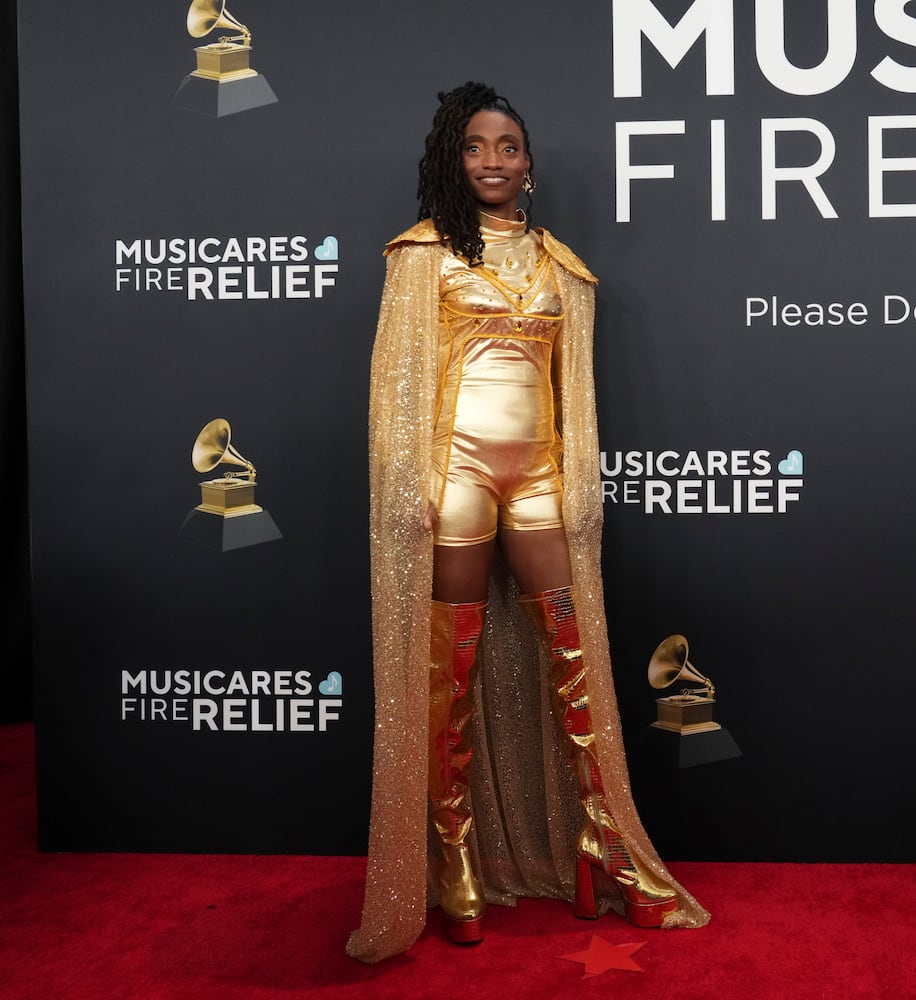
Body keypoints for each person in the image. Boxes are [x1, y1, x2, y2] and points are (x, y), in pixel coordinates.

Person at [346, 80, 709, 963]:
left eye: (509, 147)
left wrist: (580, 482)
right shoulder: (421, 256)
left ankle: (605, 844)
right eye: (476, 146)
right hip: (454, 476)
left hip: (540, 474)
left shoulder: (562, 266)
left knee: (574, 658)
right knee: (450, 675)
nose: (494, 161)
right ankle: (455, 855)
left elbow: (570, 396)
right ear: (452, 158)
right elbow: (395, 392)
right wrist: (410, 488)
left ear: (531, 164)